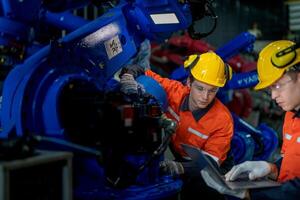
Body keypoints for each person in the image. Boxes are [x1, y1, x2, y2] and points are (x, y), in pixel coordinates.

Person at [120, 51, 234, 199]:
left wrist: (178, 167)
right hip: (180, 155)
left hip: (212, 166)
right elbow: (140, 70)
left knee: (199, 191)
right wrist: (128, 76)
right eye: (200, 88)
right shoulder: (174, 92)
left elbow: (208, 163)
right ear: (189, 82)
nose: (205, 97)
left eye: (212, 91)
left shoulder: (223, 120)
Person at [201, 40, 300, 199]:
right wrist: (271, 168)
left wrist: (250, 194)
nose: (274, 96)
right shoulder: (292, 114)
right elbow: (294, 162)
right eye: (270, 89)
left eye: (277, 85)